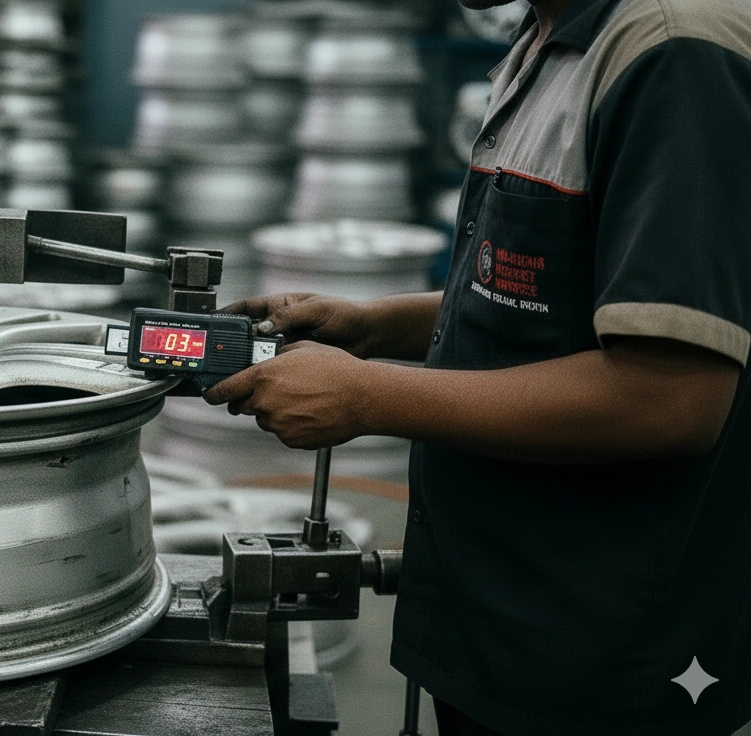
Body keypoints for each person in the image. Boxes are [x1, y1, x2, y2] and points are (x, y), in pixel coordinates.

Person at [203, 0, 751, 733]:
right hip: (505, 621)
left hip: (602, 661)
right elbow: (549, 297)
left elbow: (669, 396)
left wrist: (368, 398)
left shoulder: (672, 49)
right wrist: (372, 326)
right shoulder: (551, 37)